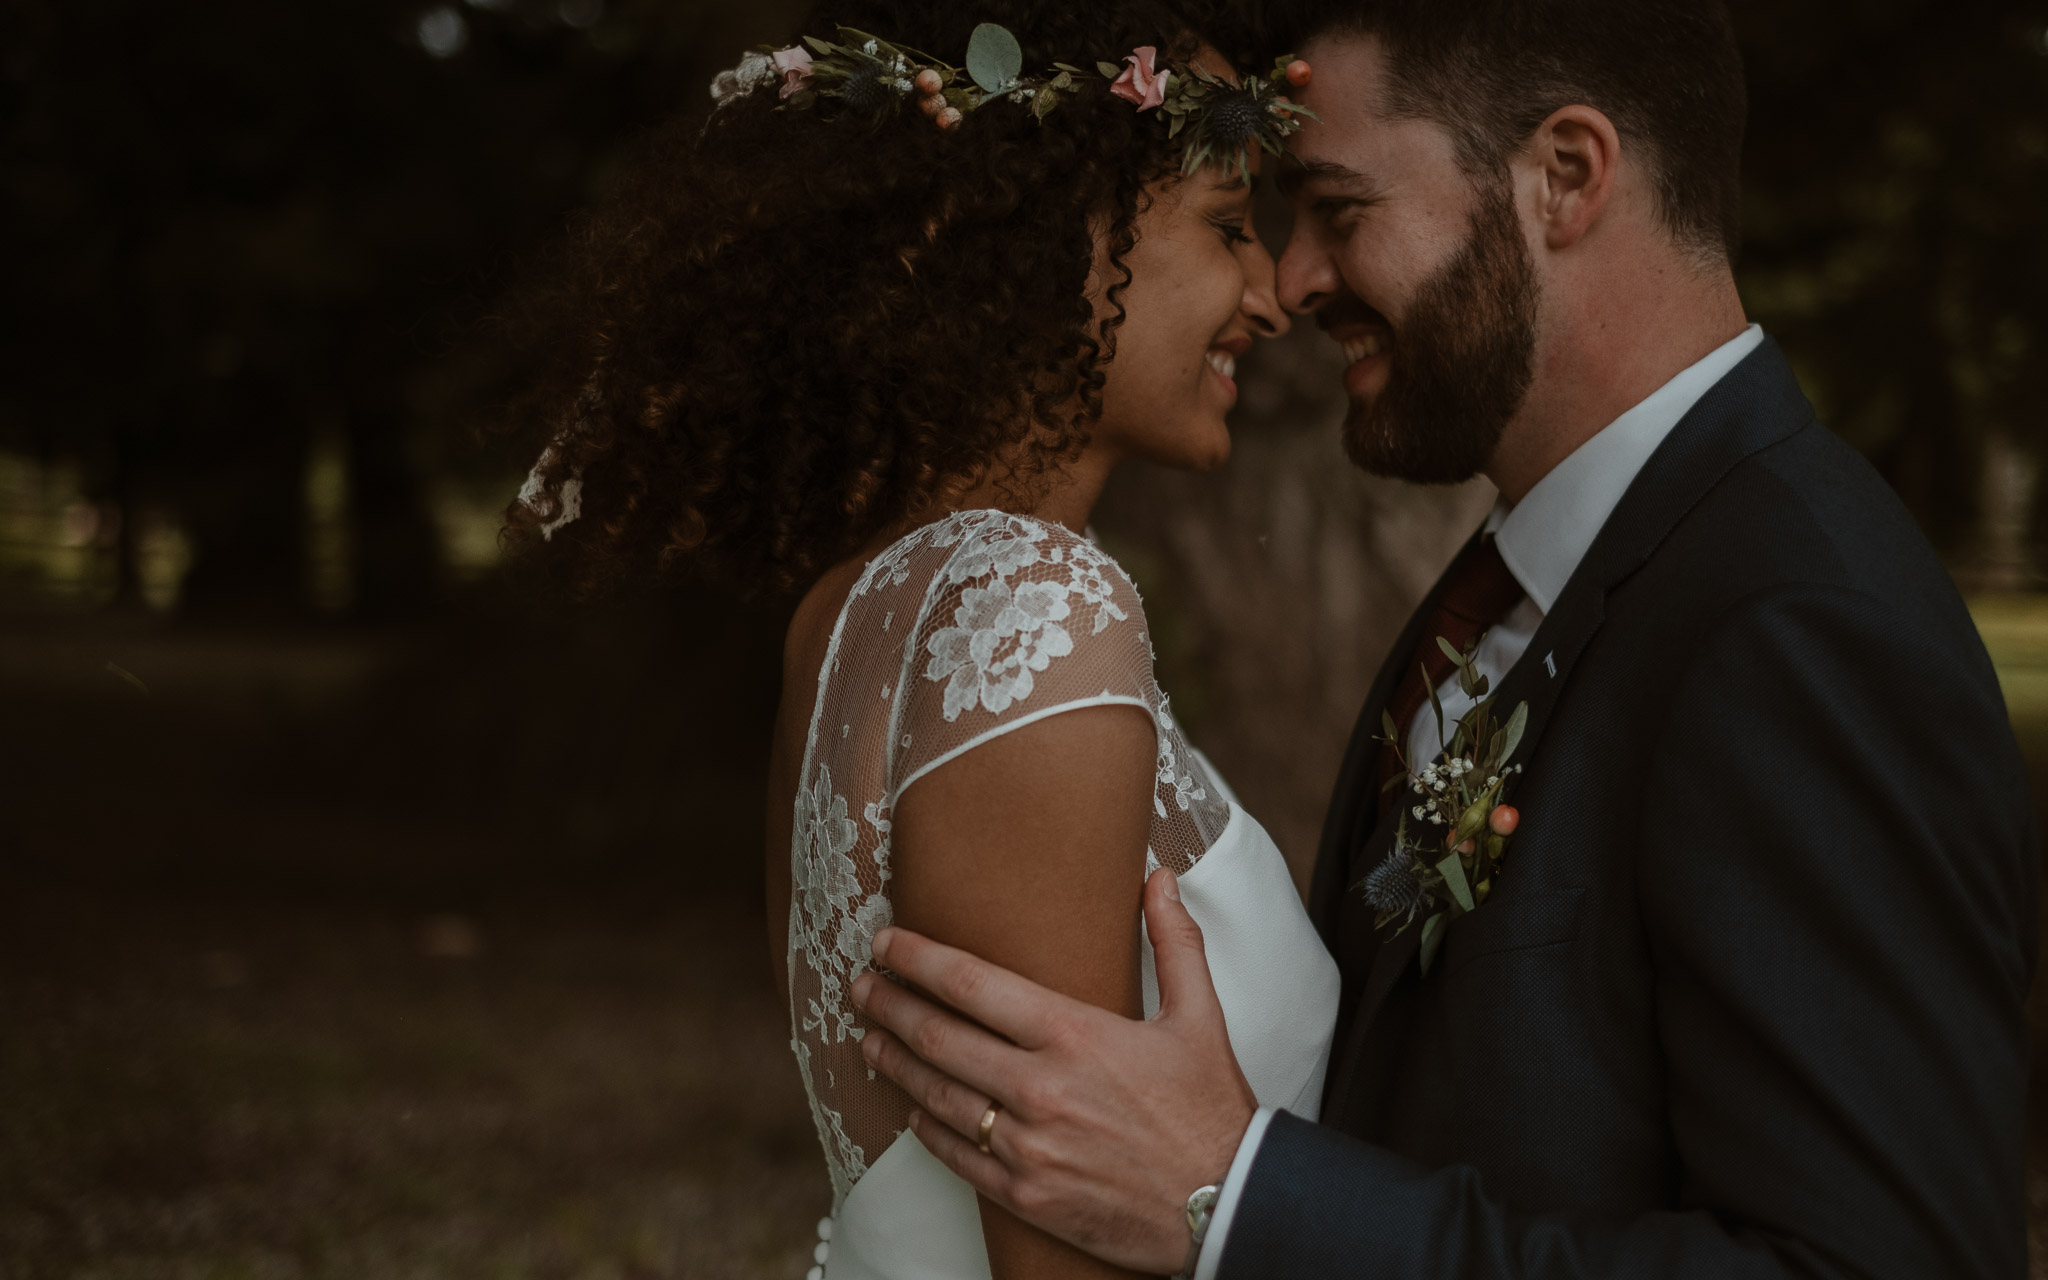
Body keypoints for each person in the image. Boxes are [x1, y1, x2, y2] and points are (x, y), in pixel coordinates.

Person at [853, 1, 2041, 1277]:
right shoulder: (1508, 583)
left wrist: (1238, 1197)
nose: (1293, 278)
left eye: (1339, 208)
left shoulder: (1800, 623)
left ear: (1563, 176)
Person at [506, 3, 1347, 1277]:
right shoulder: (1030, 600)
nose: (1266, 296)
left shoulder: (856, 606)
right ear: (1016, 234)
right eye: (1227, 227)